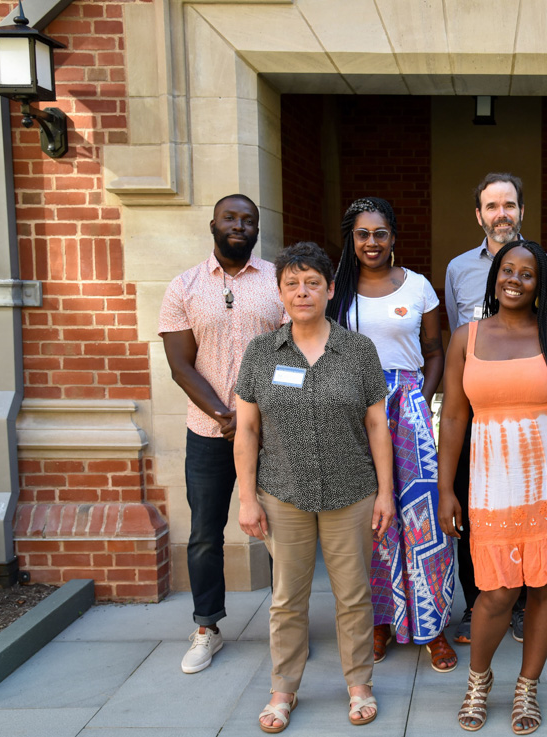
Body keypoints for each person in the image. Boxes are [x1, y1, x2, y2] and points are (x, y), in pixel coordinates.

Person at [438, 240, 547, 735]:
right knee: (496, 591)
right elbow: (451, 416)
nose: (514, 279)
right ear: (494, 279)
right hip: (492, 482)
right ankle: (479, 679)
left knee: (546, 586)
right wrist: (447, 488)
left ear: (541, 285)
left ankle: (527, 686)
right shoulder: (465, 338)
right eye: (507, 270)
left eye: (526, 274)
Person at [234, 242, 396, 733]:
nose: (302, 292)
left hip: (352, 491)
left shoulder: (358, 350)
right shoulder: (262, 352)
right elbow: (246, 430)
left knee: (353, 594)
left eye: (312, 283)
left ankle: (359, 684)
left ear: (329, 289)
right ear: (280, 292)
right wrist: (246, 498)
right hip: (283, 491)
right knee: (287, 597)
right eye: (292, 284)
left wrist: (386, 492)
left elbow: (376, 425)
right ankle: (283, 690)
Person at [327, 197, 457, 673]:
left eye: (380, 233)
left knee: (423, 518)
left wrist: (419, 396)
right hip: (355, 409)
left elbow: (435, 351)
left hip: (409, 407)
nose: (372, 242)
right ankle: (380, 621)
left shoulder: (419, 286)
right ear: (352, 239)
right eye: (363, 234)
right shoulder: (336, 291)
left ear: (393, 237)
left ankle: (433, 626)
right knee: (372, 520)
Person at [158, 194, 285, 675]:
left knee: (280, 533)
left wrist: (252, 417)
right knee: (206, 534)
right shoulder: (184, 286)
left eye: (248, 219)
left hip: (272, 432)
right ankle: (206, 627)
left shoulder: (278, 281)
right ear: (213, 224)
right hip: (207, 433)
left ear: (257, 229)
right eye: (231, 217)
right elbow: (179, 363)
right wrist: (224, 415)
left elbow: (292, 356)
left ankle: (284, 627)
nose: (239, 225)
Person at [443, 172, 547, 645]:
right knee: (479, 508)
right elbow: (461, 339)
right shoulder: (457, 269)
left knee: (529, 507)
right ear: (479, 215)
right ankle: (480, 602)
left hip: (532, 412)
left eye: (509, 204)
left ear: (521, 211)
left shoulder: (545, 264)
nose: (501, 214)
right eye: (491, 206)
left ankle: (525, 600)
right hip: (480, 410)